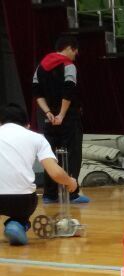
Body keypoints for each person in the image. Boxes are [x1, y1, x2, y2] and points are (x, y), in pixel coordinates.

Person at [0, 103, 78, 245]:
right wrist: (70, 181)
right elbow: (55, 173)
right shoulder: (36, 138)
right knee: (23, 208)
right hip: (21, 200)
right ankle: (17, 224)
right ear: (27, 125)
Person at [32, 34, 89, 204]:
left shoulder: (40, 66)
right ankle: (72, 193)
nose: (76, 54)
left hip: (49, 119)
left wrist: (48, 112)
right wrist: (62, 115)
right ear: (69, 48)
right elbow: (68, 90)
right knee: (73, 154)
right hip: (68, 117)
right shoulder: (68, 65)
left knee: (50, 155)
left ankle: (49, 195)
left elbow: (36, 92)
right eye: (75, 50)